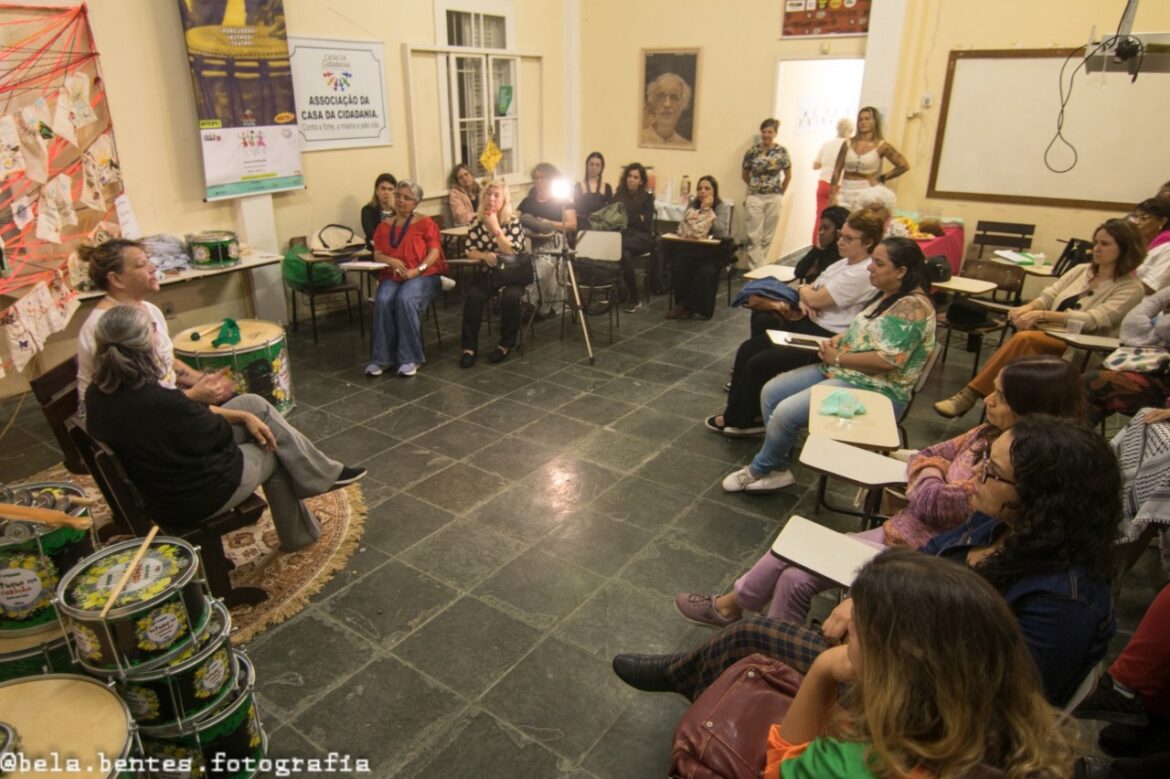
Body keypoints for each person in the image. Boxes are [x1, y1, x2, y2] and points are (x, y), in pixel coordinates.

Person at [613, 415, 1119, 707]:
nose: (977, 476)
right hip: (903, 645)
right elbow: (926, 558)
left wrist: (882, 638)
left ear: (1044, 496)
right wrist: (868, 598)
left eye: (994, 471)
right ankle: (712, 675)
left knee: (757, 634)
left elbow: (1004, 698)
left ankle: (705, 678)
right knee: (770, 611)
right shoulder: (1003, 525)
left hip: (926, 695)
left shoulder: (1065, 600)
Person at [686, 356, 1086, 627]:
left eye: (1001, 396)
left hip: (917, 554)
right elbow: (929, 456)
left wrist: (930, 478)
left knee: (795, 564)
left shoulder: (1019, 469)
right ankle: (759, 641)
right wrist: (934, 472)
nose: (988, 399)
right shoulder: (988, 433)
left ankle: (747, 630)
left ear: (1031, 407)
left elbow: (934, 502)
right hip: (903, 532)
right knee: (792, 563)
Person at [763, 550, 1073, 778]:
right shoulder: (1020, 749)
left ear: (894, 664)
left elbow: (777, 771)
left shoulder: (852, 766)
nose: (845, 644)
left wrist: (822, 668)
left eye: (854, 634)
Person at [85, 306, 365, 551]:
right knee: (271, 444)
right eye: (154, 329)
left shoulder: (97, 394)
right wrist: (202, 400)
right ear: (145, 346)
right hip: (192, 497)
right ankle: (300, 533)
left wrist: (242, 415)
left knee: (255, 405)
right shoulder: (163, 402)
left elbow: (167, 418)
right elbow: (217, 440)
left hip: (161, 479)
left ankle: (323, 474)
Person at [722, 237, 936, 493]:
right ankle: (779, 467)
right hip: (849, 371)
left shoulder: (911, 309)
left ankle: (760, 468)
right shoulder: (890, 294)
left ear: (901, 271)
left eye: (878, 263)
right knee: (771, 391)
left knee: (785, 411)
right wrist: (839, 339)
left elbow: (884, 361)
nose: (870, 267)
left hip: (879, 389)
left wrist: (837, 357)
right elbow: (864, 329)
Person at [936, 218, 1146, 418]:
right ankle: (1007, 408)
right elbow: (1049, 295)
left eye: (1105, 244)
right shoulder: (1081, 270)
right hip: (1048, 332)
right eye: (1096, 242)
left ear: (1125, 248)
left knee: (1024, 340)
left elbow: (1094, 319)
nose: (1097, 249)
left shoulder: (1130, 287)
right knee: (1024, 344)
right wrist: (1028, 307)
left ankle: (972, 395)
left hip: (1080, 346)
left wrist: (1042, 314)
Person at [707, 207, 878, 436]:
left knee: (759, 361)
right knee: (748, 349)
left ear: (867, 243)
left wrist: (809, 294)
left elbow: (815, 297)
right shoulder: (844, 263)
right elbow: (809, 286)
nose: (841, 242)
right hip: (809, 323)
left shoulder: (861, 273)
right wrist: (808, 292)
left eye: (848, 238)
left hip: (824, 336)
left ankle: (746, 419)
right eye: (841, 236)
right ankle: (736, 414)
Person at [76, 239, 233, 417]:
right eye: (141, 264)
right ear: (116, 279)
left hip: (165, 404)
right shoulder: (105, 328)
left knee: (246, 404)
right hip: (131, 421)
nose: (152, 268)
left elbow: (166, 362)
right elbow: (132, 405)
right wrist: (194, 395)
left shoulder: (149, 310)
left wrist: (204, 380)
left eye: (148, 261)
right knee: (248, 415)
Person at [366, 180, 448, 378]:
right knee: (383, 300)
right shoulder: (384, 227)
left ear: (416, 203)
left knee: (405, 298)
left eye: (406, 198)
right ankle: (381, 358)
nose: (400, 200)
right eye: (398, 196)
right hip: (393, 276)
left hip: (425, 275)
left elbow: (434, 253)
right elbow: (377, 254)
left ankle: (411, 358)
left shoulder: (426, 223)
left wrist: (417, 270)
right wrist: (390, 260)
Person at [458, 179, 527, 368]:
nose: (491, 198)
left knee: (510, 298)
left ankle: (505, 345)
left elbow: (512, 251)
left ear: (505, 199)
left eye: (497, 195)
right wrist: (483, 255)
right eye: (488, 194)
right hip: (487, 273)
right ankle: (469, 348)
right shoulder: (476, 220)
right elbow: (469, 249)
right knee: (473, 297)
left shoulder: (512, 221)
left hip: (511, 274)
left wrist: (495, 228)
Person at [1084, 287, 1170, 424]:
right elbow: (1133, 325)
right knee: (1083, 387)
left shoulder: (1131, 285)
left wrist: (1157, 324)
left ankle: (1066, 439)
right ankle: (1067, 438)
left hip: (1162, 384)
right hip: (1154, 367)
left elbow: (1165, 326)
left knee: (1096, 381)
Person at [664, 175, 731, 321]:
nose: (703, 191)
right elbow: (685, 225)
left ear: (714, 191)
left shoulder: (722, 207)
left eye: (707, 188)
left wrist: (708, 211)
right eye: (700, 188)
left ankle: (687, 305)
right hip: (691, 249)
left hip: (713, 252)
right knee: (679, 267)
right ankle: (684, 305)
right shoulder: (692, 205)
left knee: (705, 273)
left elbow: (720, 231)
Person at [517, 162, 576, 319]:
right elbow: (514, 220)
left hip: (554, 243)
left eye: (543, 178)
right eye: (536, 178)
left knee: (544, 265)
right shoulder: (527, 201)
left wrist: (547, 223)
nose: (539, 181)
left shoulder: (563, 200)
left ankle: (529, 302)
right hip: (530, 243)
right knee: (526, 220)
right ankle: (526, 302)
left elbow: (571, 224)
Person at [829, 106, 909, 212]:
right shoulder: (848, 143)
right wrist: (832, 195)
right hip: (845, 189)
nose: (863, 122)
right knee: (839, 221)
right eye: (860, 119)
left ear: (875, 122)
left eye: (867, 119)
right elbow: (837, 170)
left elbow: (903, 165)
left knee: (860, 223)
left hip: (866, 190)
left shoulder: (882, 146)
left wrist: (882, 178)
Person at [741, 118, 792, 269]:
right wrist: (755, 186)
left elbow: (788, 175)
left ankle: (760, 267)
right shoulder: (752, 152)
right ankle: (754, 270)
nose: (766, 135)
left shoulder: (781, 152)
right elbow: (744, 174)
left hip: (774, 196)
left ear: (775, 133)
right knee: (754, 236)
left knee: (767, 236)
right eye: (764, 132)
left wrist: (780, 192)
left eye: (770, 132)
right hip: (755, 196)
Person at [612, 162, 655, 313]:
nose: (631, 179)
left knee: (619, 247)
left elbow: (647, 222)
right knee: (624, 253)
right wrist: (638, 216)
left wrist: (629, 215)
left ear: (641, 181)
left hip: (643, 238)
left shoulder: (648, 197)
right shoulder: (618, 194)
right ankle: (633, 298)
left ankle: (627, 295)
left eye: (635, 177)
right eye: (629, 176)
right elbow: (615, 218)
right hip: (625, 237)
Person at [810, 117, 852, 245]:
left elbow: (815, 165)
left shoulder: (827, 144)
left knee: (820, 217)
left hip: (823, 182)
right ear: (850, 131)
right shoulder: (850, 146)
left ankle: (816, 245)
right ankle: (832, 245)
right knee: (839, 218)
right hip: (839, 185)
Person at [639, 72, 692, 147]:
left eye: (674, 97)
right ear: (652, 102)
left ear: (683, 105)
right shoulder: (639, 138)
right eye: (661, 96)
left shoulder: (687, 145)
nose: (667, 104)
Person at [1130, 197, 1170, 291]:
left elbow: (1151, 287)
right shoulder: (1135, 241)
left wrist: (1120, 287)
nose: (1136, 222)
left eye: (1143, 218)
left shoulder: (1167, 247)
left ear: (1162, 221)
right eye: (1135, 217)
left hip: (1148, 300)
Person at [360, 173, 397, 249]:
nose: (386, 192)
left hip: (398, 248)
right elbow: (372, 235)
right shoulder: (367, 210)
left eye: (390, 189)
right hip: (377, 250)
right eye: (383, 189)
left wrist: (395, 208)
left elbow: (409, 228)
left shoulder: (400, 210)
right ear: (377, 191)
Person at [573, 151, 612, 223]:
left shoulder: (607, 187)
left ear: (601, 168)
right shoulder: (578, 186)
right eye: (591, 164)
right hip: (583, 224)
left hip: (601, 226)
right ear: (587, 166)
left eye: (597, 165)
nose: (594, 167)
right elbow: (576, 209)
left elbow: (609, 211)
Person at [446, 163, 480, 228]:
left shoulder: (480, 189)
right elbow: (461, 217)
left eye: (466, 174)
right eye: (460, 177)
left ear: (471, 174)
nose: (464, 178)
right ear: (457, 181)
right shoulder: (455, 194)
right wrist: (481, 216)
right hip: (466, 228)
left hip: (484, 225)